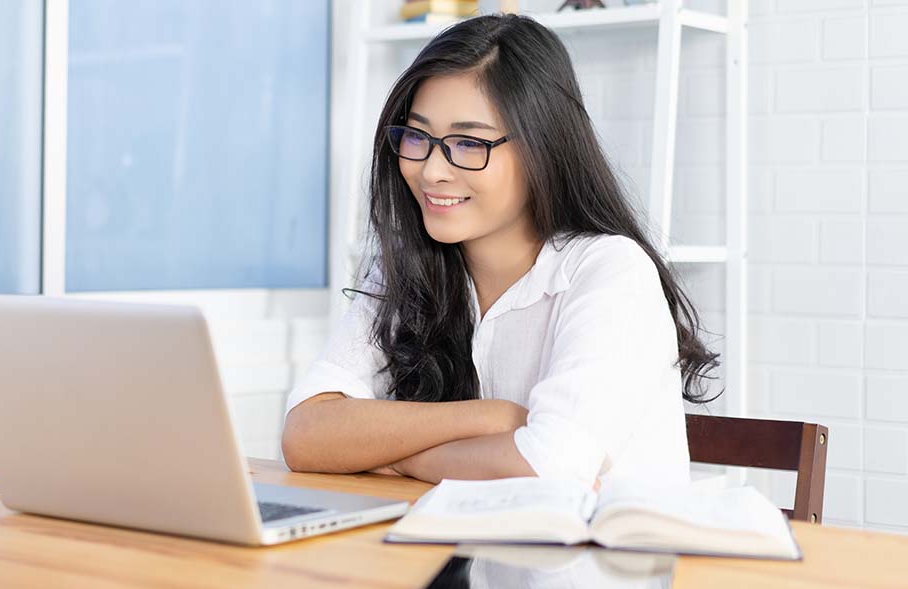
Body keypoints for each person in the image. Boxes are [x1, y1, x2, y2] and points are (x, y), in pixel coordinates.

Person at [281, 14, 720, 491]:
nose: (431, 171)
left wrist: (400, 458)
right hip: (450, 560)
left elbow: (547, 467)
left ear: (543, 147)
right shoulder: (405, 267)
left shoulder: (610, 271)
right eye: (417, 137)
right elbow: (306, 435)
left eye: (468, 143)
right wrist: (492, 417)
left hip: (589, 563)